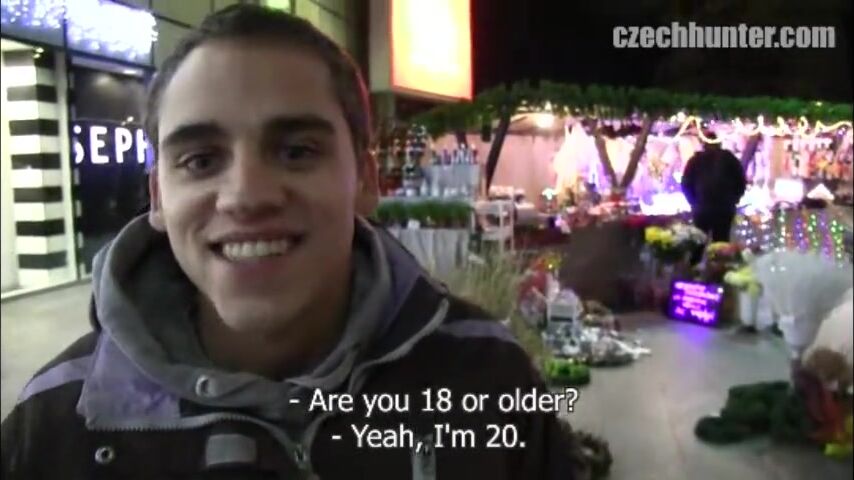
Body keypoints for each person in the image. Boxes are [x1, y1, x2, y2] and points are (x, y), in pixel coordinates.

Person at [1, 5, 578, 479]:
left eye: (297, 151)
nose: (246, 197)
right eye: (200, 160)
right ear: (158, 197)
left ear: (366, 180)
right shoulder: (51, 423)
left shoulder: (488, 375)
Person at [681, 139, 747, 244]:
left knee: (699, 242)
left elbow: (686, 184)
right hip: (724, 208)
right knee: (721, 242)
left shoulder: (695, 160)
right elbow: (741, 181)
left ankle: (699, 255)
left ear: (704, 144)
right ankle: (719, 254)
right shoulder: (729, 159)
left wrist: (694, 202)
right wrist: (734, 200)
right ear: (719, 143)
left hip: (702, 208)